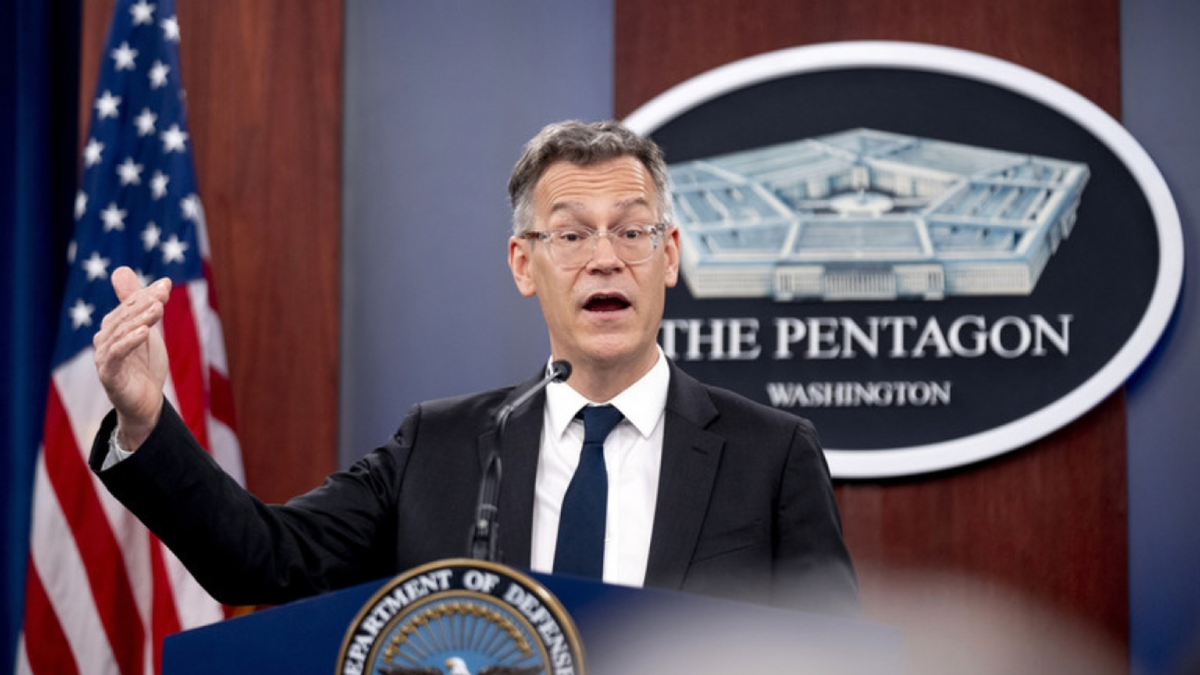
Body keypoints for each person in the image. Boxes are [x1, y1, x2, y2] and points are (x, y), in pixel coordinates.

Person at [89, 120, 857, 613]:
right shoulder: (441, 446)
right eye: (571, 235)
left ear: (670, 256)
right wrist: (145, 422)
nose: (605, 258)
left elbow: (836, 658)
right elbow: (267, 560)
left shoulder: (769, 454)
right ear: (524, 263)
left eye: (632, 231)